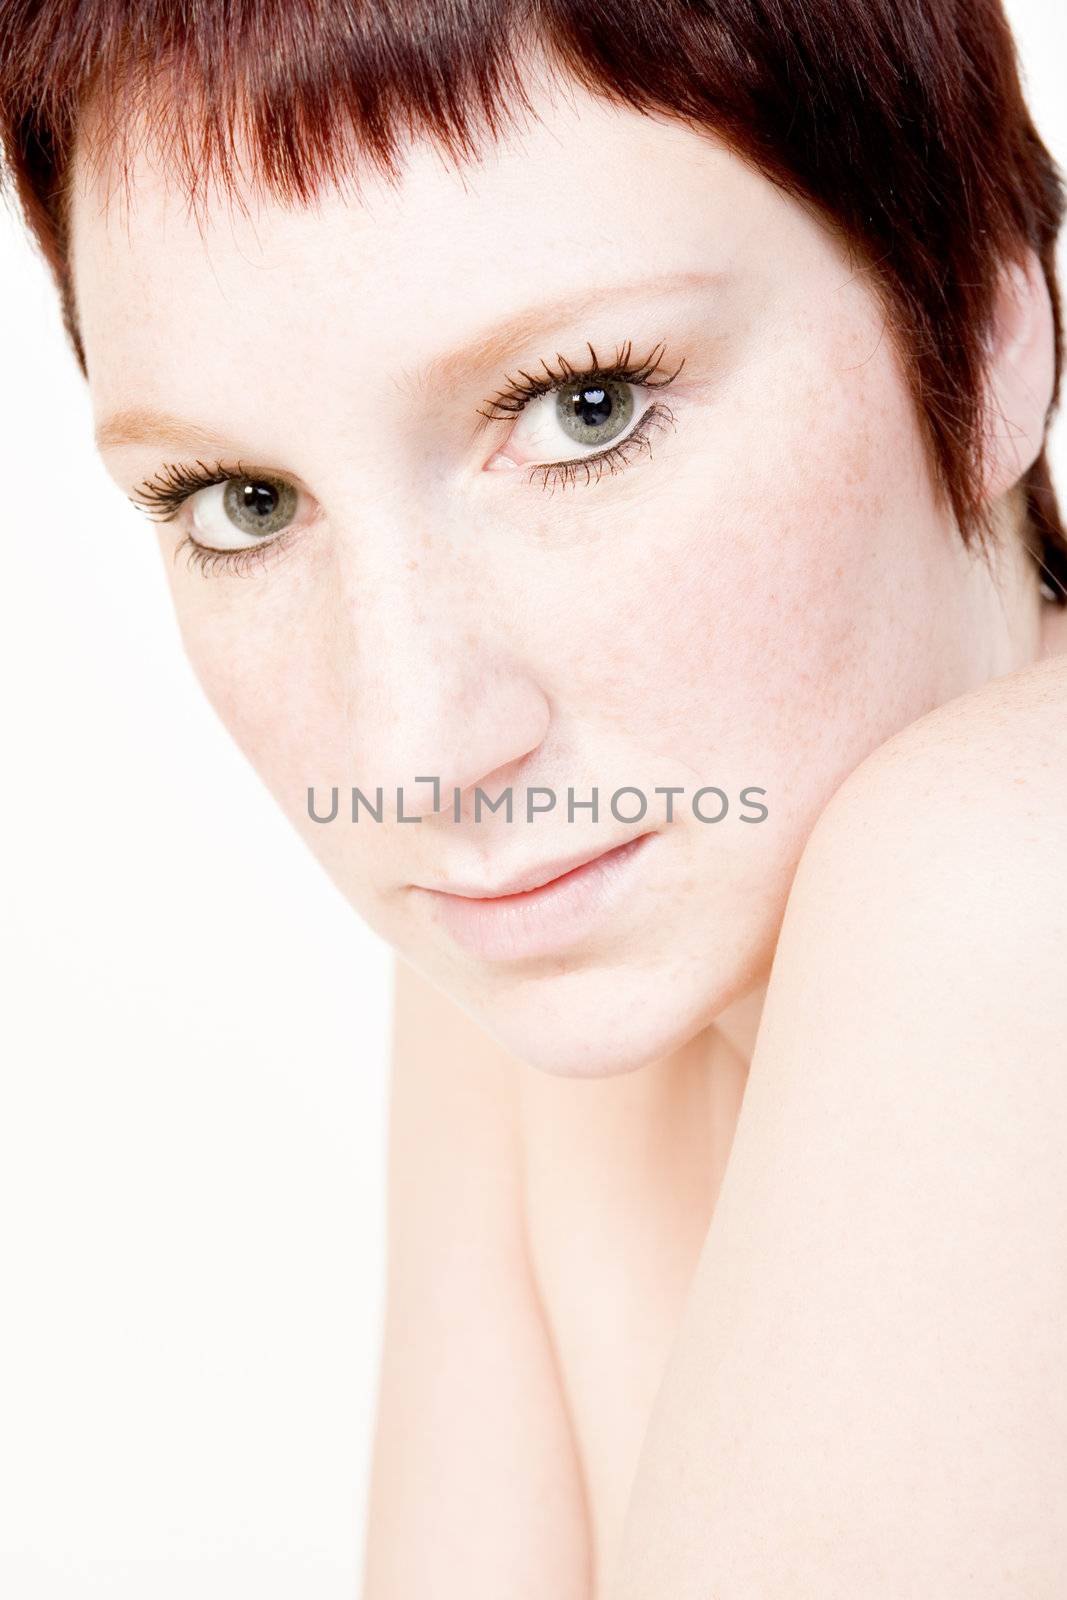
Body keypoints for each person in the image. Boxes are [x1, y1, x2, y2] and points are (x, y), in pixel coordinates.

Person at [2, 2, 1065, 1594]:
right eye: (243, 502)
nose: (409, 747)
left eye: (589, 406)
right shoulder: (578, 921)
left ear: (987, 337)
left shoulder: (1007, 868)